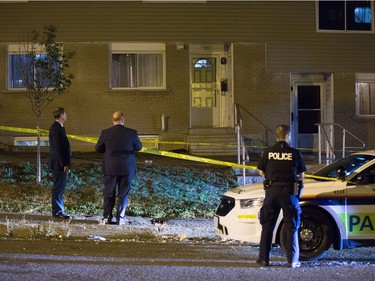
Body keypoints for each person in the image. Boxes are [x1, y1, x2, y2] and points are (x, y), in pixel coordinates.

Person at [256, 125, 306, 268]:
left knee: (267, 226)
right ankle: (293, 260)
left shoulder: (268, 152)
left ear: (276, 136)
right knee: (292, 226)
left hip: (271, 191)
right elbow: (302, 175)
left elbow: (261, 172)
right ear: (287, 136)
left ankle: (264, 259)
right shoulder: (295, 153)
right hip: (289, 192)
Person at [95, 111, 142, 225]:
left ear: (113, 121)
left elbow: (98, 148)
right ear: (123, 120)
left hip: (110, 168)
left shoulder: (105, 133)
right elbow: (139, 147)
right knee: (123, 193)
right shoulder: (132, 133)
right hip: (127, 168)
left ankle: (107, 217)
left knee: (109, 192)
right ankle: (120, 217)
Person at [48, 107, 72, 219]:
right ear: (61, 115)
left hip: (59, 163)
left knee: (59, 187)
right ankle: (57, 211)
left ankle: (58, 210)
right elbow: (59, 148)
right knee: (58, 187)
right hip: (59, 164)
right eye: (65, 114)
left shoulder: (59, 127)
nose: (66, 116)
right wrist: (64, 164)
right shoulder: (56, 128)